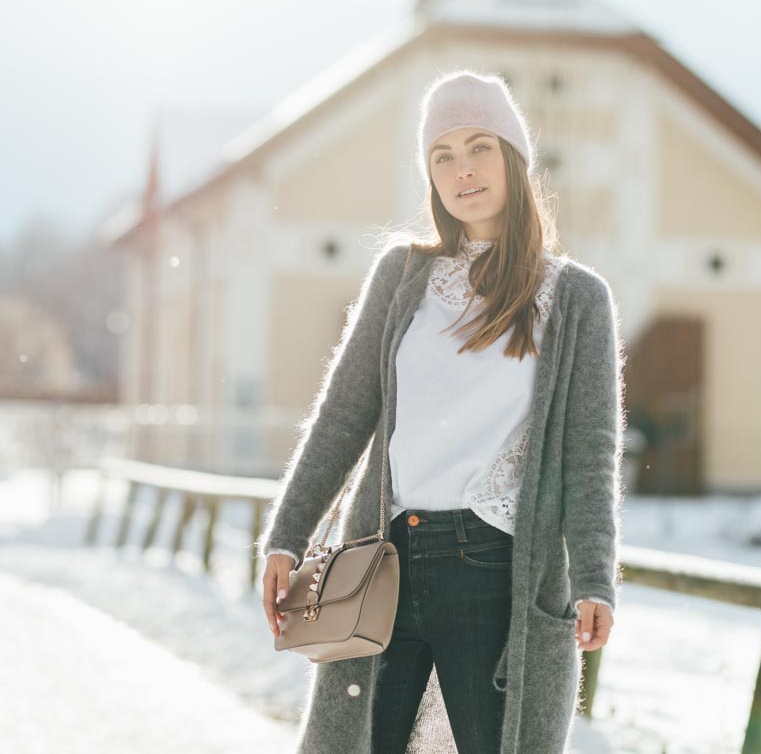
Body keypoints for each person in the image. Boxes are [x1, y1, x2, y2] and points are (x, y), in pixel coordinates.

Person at [258, 69, 625, 754]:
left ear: (515, 157)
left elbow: (589, 451)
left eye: (480, 146)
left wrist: (597, 574)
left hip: (494, 570)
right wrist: (287, 534)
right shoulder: (403, 275)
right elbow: (342, 414)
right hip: (382, 560)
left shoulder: (575, 299)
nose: (463, 170)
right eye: (443, 155)